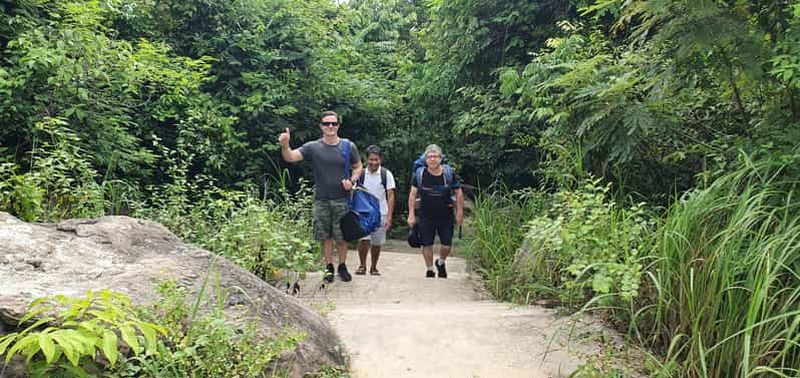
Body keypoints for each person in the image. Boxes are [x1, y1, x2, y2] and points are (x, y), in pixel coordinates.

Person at [278, 111, 363, 283]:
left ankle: (342, 266)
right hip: (322, 199)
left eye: (333, 123)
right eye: (326, 124)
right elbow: (291, 157)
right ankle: (328, 267)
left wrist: (352, 180)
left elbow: (358, 166)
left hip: (342, 198)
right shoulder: (313, 147)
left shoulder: (348, 146)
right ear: (321, 126)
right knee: (325, 236)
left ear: (338, 125)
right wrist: (285, 145)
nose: (330, 127)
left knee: (342, 235)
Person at [406, 144, 464, 278]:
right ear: (426, 159)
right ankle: (430, 269)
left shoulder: (448, 174)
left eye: (435, 156)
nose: (432, 159)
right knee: (426, 243)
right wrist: (411, 215)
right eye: (429, 157)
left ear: (440, 158)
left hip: (446, 215)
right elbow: (413, 195)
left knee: (447, 245)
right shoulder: (420, 174)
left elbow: (458, 192)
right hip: (425, 215)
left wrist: (459, 212)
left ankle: (441, 262)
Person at [355, 145, 395, 276]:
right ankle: (362, 265)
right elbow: (354, 193)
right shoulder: (360, 174)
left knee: (377, 242)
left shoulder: (386, 174)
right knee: (363, 239)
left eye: (376, 159)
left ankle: (373, 267)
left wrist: (389, 217)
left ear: (380, 159)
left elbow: (390, 196)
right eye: (371, 159)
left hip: (381, 213)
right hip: (363, 213)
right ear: (366, 159)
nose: (374, 162)